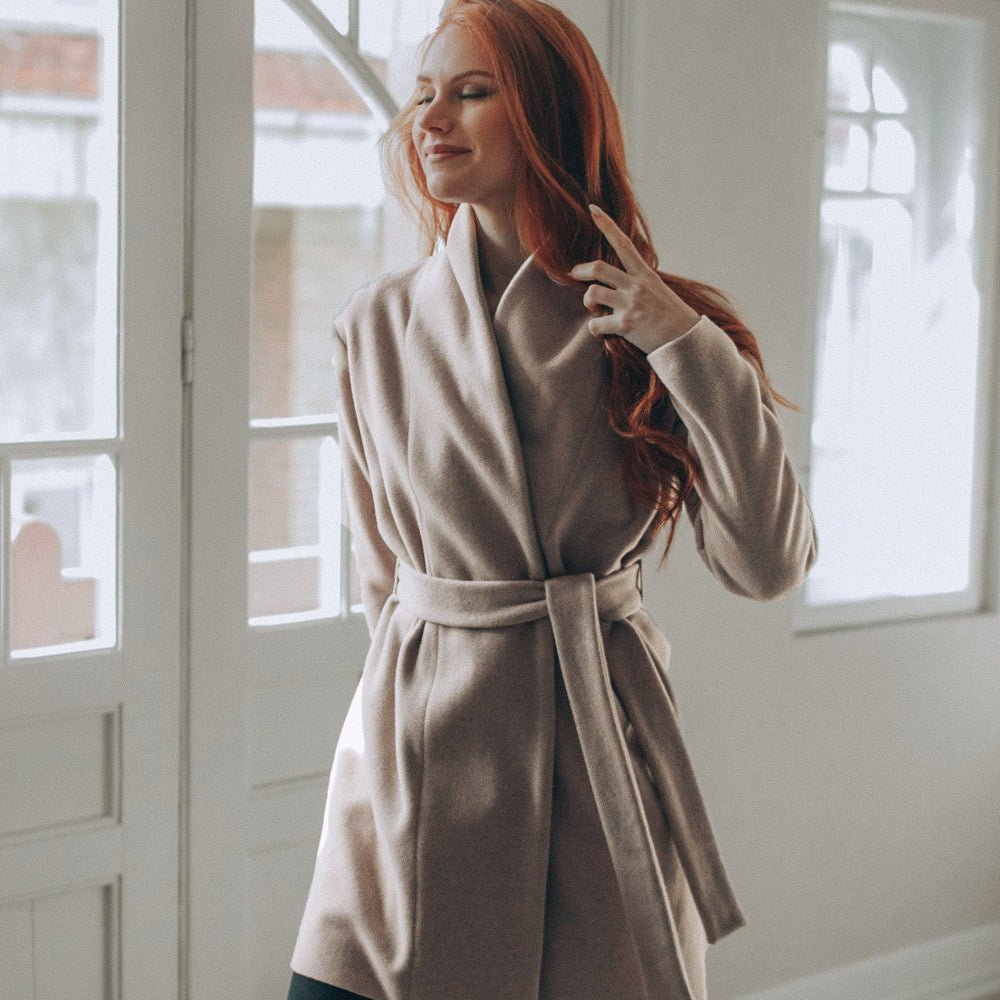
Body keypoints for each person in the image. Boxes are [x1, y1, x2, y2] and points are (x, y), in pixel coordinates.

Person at [288, 1, 817, 998]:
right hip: (417, 761)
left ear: (546, 116)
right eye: (422, 94)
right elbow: (381, 577)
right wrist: (408, 713)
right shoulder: (376, 326)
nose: (430, 119)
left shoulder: (656, 327)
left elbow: (766, 564)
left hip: (593, 759)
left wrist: (684, 344)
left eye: (470, 92)